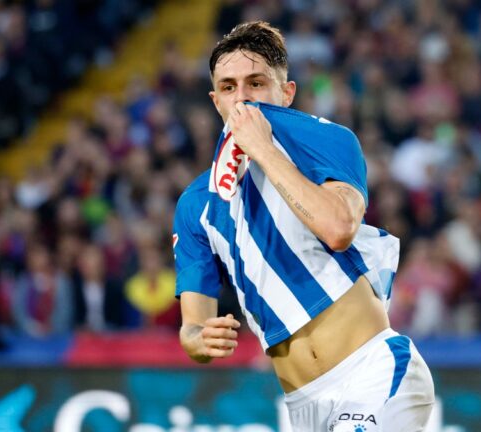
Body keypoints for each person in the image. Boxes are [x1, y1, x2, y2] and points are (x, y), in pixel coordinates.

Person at [172, 21, 434, 431]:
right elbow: (193, 325)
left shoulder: (326, 140)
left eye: (255, 83)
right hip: (302, 406)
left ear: (286, 93)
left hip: (371, 371)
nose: (242, 99)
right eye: (228, 88)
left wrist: (262, 149)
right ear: (215, 100)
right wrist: (199, 341)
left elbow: (339, 227)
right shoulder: (195, 206)